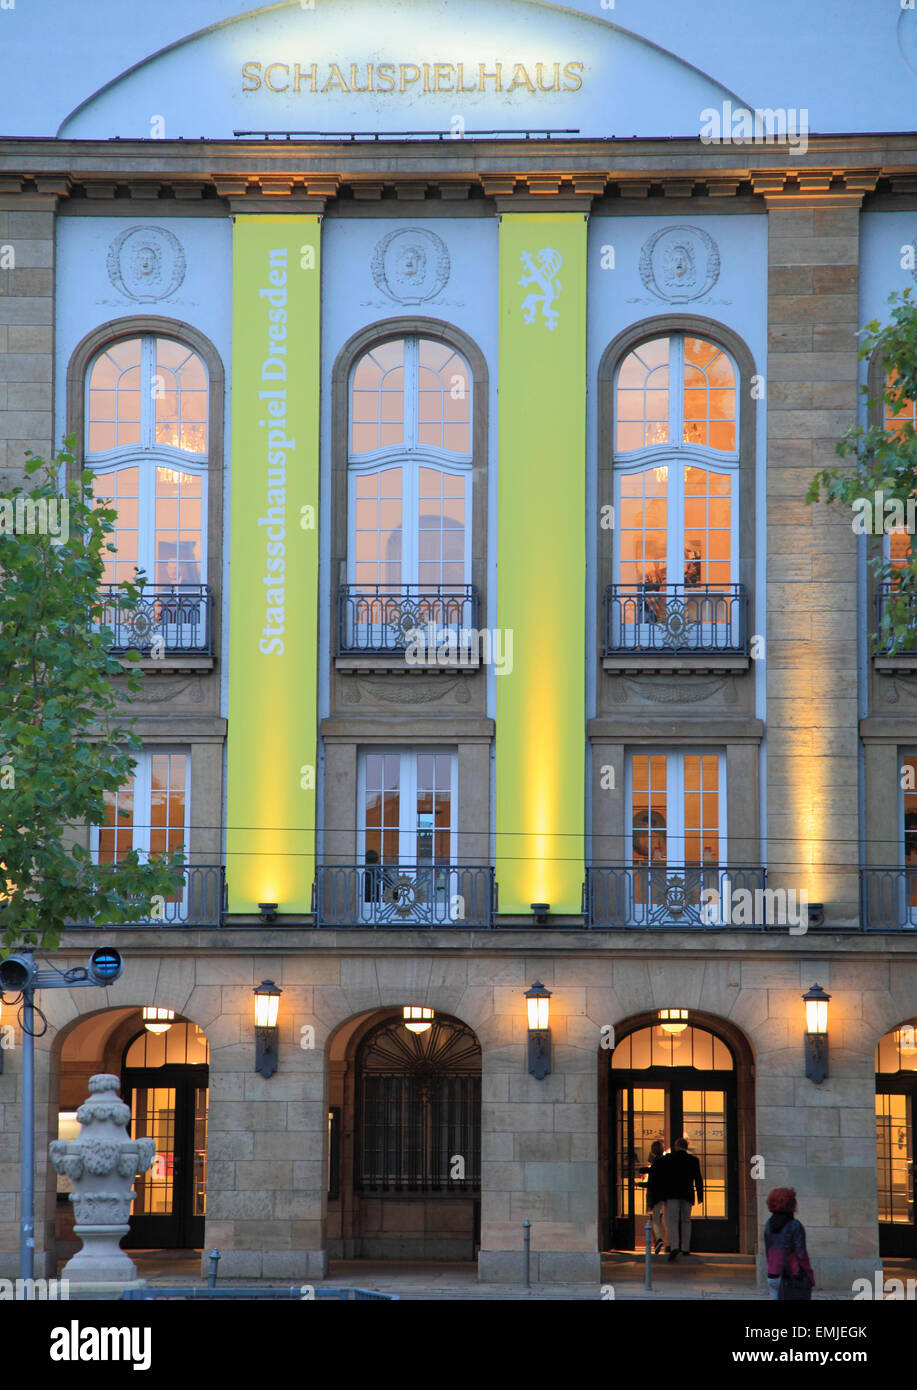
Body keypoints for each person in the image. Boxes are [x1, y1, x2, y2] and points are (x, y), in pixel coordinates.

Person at [764, 1188, 815, 1300]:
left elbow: (768, 1251)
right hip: (791, 1275)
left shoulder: (768, 1224)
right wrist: (809, 1275)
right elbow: (801, 1254)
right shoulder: (795, 1226)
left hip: (773, 1273)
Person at [664, 1136, 703, 1260]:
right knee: (686, 1221)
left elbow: (664, 1178)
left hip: (672, 1193)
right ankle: (686, 1248)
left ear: (676, 1146)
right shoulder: (693, 1160)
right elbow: (698, 1179)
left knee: (673, 1221)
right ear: (686, 1147)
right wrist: (700, 1195)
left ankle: (674, 1246)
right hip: (687, 1193)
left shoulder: (669, 1159)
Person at [645, 1140, 669, 1254]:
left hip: (656, 1194)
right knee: (667, 1219)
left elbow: (653, 1181)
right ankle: (668, 1242)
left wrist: (642, 1184)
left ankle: (659, 1238)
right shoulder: (666, 1161)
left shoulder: (655, 1162)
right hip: (667, 1194)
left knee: (655, 1218)